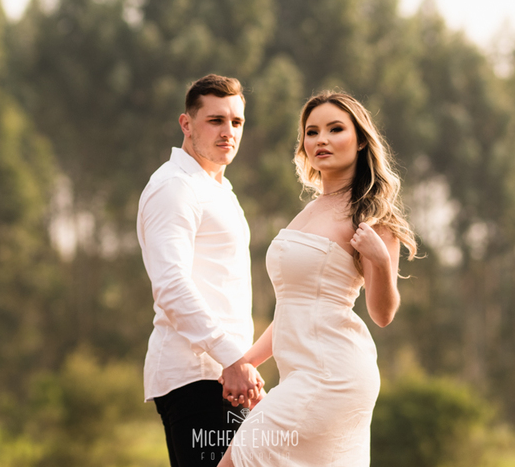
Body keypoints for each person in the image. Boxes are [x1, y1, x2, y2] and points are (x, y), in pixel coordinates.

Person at [221, 90, 417, 467]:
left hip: (333, 374)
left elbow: (383, 314)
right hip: (299, 373)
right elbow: (294, 310)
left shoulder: (371, 216)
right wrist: (245, 362)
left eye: (335, 129)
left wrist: (379, 260)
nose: (321, 139)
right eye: (312, 132)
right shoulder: (310, 210)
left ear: (361, 141)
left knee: (236, 460)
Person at [138, 74, 265, 467]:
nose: (228, 131)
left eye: (236, 122)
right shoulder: (175, 187)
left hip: (224, 376)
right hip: (197, 377)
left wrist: (243, 363)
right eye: (215, 120)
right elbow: (171, 285)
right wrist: (233, 359)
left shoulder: (219, 190)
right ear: (186, 124)